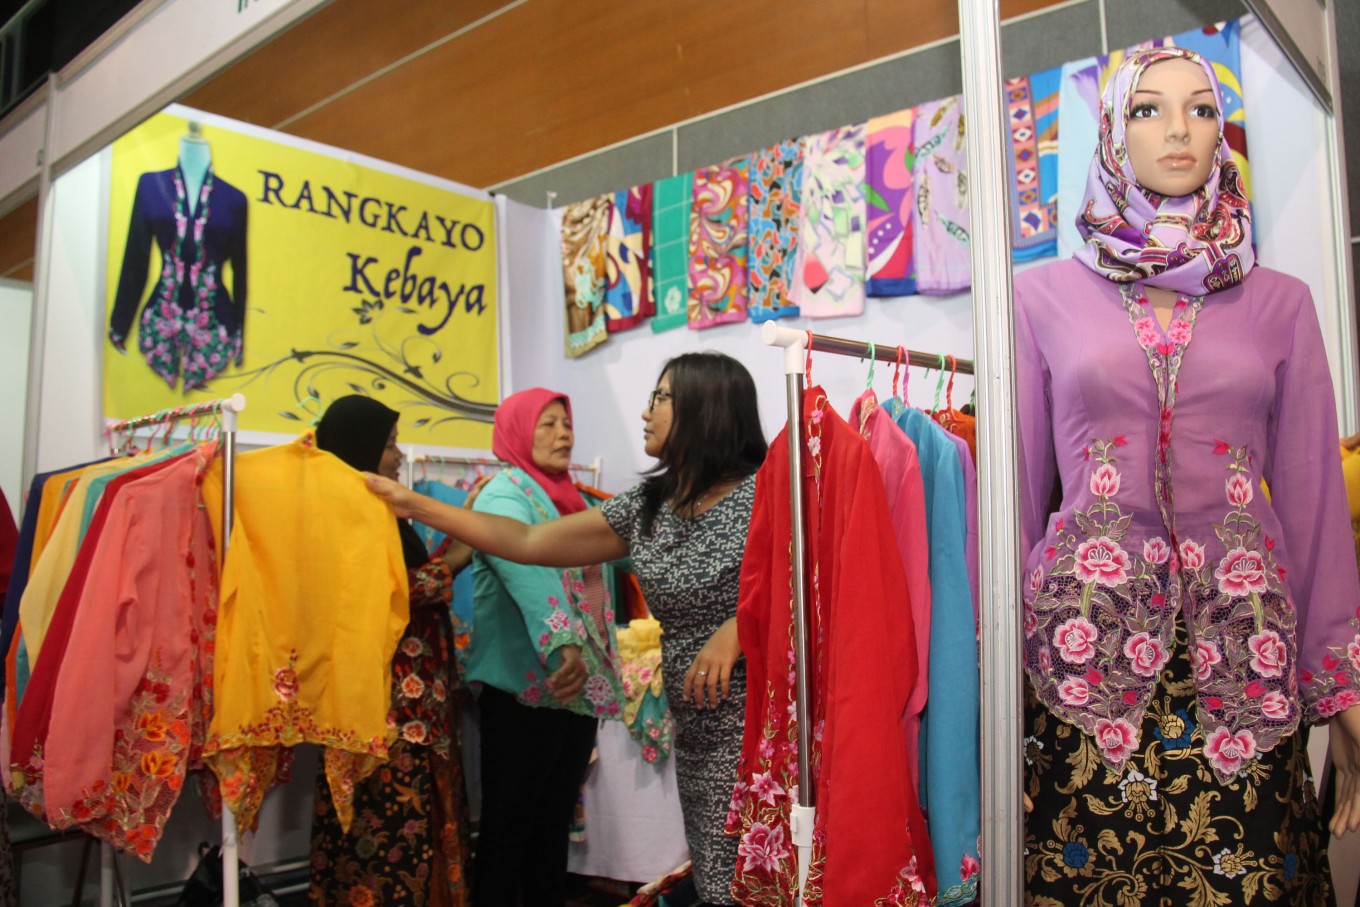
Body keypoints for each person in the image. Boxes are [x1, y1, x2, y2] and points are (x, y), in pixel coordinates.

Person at [1015, 47, 1360, 904]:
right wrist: (992, 698)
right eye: (1148, 109)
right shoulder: (1041, 298)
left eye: (1202, 109)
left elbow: (1316, 499)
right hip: (1078, 663)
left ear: (1222, 135)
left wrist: (1342, 683)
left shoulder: (1279, 303)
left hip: (1246, 662)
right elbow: (1014, 501)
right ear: (1110, 132)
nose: (1178, 128)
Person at [366, 353, 767, 907]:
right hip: (695, 723)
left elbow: (812, 581)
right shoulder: (650, 505)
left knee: (765, 873)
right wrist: (414, 504)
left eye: (661, 397)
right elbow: (529, 546)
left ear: (707, 408)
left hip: (761, 723)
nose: (645, 411)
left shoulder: (766, 495)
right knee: (720, 879)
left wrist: (739, 626)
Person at [460, 387, 624, 906]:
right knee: (512, 827)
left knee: (550, 823)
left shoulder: (566, 497)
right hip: (525, 688)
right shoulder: (504, 495)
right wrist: (564, 644)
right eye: (547, 424)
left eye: (566, 424)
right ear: (517, 432)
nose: (563, 434)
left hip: (572, 691)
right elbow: (526, 573)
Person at [308, 395, 474, 907]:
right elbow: (380, 592)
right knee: (390, 830)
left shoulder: (380, 511)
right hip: (383, 708)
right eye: (388, 445)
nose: (398, 456)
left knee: (415, 822)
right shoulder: (342, 515)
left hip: (415, 702)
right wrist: (455, 561)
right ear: (360, 449)